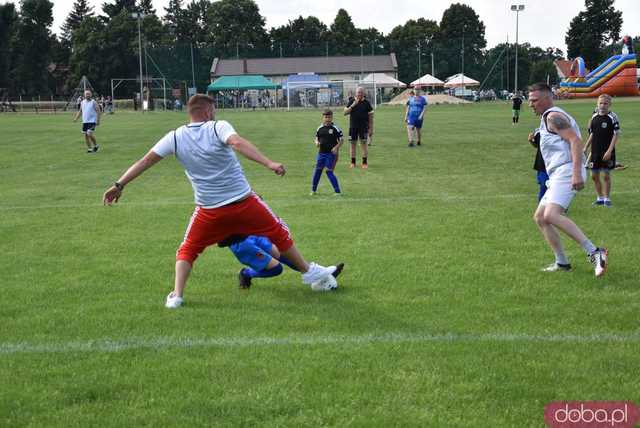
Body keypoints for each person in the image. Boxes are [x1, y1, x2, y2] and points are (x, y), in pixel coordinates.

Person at [102, 94, 342, 308]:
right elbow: (237, 142)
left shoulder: (174, 137)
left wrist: (119, 185)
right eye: (213, 110)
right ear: (207, 111)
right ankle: (309, 272)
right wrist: (269, 163)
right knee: (279, 231)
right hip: (244, 202)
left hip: (209, 211)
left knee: (188, 250)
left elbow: (145, 161)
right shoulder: (217, 127)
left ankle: (176, 296)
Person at [527, 83, 607, 276]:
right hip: (557, 174)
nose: (531, 104)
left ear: (547, 98)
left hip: (566, 171)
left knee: (551, 215)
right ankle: (562, 263)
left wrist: (577, 173)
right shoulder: (547, 118)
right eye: (530, 100)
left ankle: (595, 252)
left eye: (535, 100)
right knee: (540, 217)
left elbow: (575, 140)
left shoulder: (553, 116)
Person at [218, 234, 344, 289]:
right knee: (276, 269)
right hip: (242, 243)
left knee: (283, 253)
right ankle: (246, 274)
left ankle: (320, 274)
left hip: (251, 231)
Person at [585, 94, 620, 207]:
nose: (603, 105)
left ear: (609, 105)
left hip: (607, 152)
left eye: (605, 103)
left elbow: (615, 135)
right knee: (594, 176)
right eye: (601, 103)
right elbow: (592, 134)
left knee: (605, 175)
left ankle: (607, 198)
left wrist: (609, 151)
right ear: (597, 104)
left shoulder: (612, 117)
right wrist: (585, 147)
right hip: (595, 151)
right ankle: (599, 198)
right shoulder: (594, 116)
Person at [311, 109, 343, 195]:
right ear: (323, 118)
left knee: (329, 171)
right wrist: (316, 142)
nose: (328, 119)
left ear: (332, 118)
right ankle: (313, 190)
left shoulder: (335, 128)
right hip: (321, 153)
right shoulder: (319, 128)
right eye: (326, 117)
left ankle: (337, 191)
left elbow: (341, 140)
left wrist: (336, 148)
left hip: (331, 154)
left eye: (329, 117)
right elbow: (316, 138)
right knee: (318, 170)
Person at [343, 86, 374, 169]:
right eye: (358, 92)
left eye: (361, 92)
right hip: (353, 127)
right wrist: (353, 105)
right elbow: (345, 113)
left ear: (363, 93)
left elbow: (371, 117)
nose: (359, 94)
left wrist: (371, 128)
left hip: (363, 127)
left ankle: (364, 162)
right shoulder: (351, 101)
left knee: (364, 144)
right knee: (353, 144)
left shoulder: (367, 103)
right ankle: (353, 162)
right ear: (355, 93)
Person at [527, 128, 548, 201]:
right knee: (543, 186)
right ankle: (542, 209)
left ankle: (560, 210)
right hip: (542, 165)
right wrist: (531, 140)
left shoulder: (558, 130)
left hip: (556, 164)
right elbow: (536, 145)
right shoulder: (539, 131)